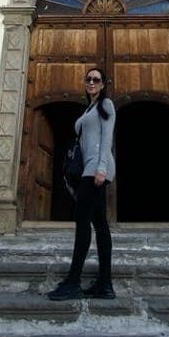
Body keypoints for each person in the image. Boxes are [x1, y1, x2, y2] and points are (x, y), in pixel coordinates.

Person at [48, 67, 116, 301]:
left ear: (104, 84)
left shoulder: (106, 106)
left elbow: (107, 137)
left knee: (82, 221)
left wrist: (101, 169)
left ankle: (73, 281)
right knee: (100, 225)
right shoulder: (90, 108)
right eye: (88, 79)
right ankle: (105, 284)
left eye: (96, 79)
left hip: (95, 170)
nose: (91, 82)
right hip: (89, 169)